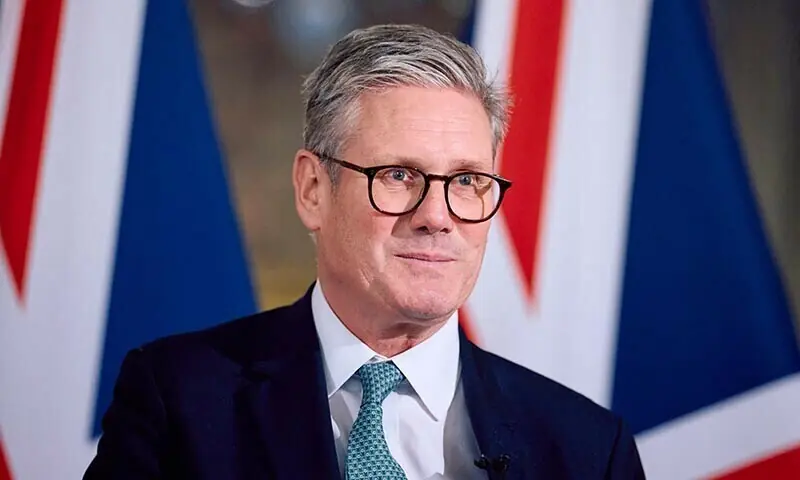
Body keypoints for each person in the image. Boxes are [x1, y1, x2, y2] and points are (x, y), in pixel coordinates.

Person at [84, 24, 645, 479]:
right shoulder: (177, 401)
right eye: (399, 174)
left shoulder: (588, 450)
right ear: (312, 190)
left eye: (469, 180)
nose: (437, 215)